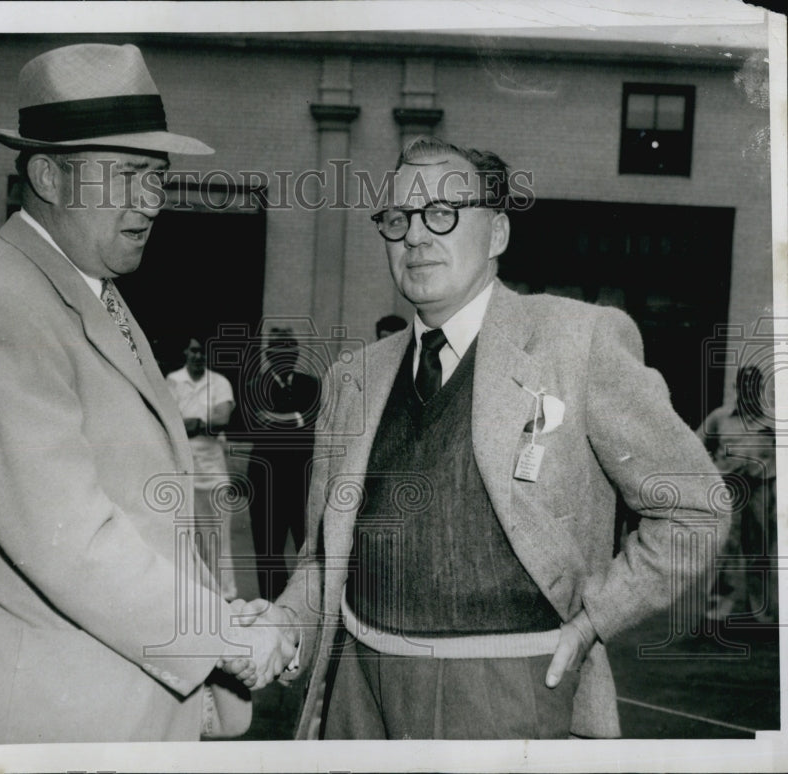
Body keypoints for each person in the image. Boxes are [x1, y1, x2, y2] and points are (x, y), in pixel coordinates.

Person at [261, 136, 728, 739]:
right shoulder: (354, 378)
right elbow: (324, 558)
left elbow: (697, 508)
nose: (417, 236)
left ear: (498, 234)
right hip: (360, 694)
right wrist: (282, 623)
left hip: (515, 694)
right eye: (398, 218)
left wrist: (593, 620)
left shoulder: (577, 343)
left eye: (443, 213)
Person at [0, 43, 294, 744]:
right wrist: (226, 637)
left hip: (127, 706)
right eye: (125, 177)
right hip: (51, 722)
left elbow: (152, 514)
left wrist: (223, 620)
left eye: (157, 178)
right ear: (48, 176)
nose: (151, 204)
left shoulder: (90, 296)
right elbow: (74, 544)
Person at [233, 327, 321, 601]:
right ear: (269, 355)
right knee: (268, 549)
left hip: (303, 480)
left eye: (291, 350)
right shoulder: (254, 386)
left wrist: (279, 419)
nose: (287, 356)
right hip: (266, 480)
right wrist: (296, 419)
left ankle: (305, 605)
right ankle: (272, 608)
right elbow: (250, 424)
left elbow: (315, 424)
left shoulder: (312, 385)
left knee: (307, 548)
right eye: (279, 350)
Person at [697, 364, 778, 627]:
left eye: (754, 387)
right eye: (744, 387)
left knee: (760, 551)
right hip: (728, 491)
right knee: (724, 550)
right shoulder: (720, 418)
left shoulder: (773, 421)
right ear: (737, 389)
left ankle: (761, 612)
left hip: (760, 490)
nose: (748, 393)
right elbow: (696, 446)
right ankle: (716, 612)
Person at [167, 336, 239, 601]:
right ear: (186, 351)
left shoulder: (219, 383)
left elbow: (223, 418)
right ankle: (196, 596)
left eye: (204, 352)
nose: (199, 357)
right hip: (184, 470)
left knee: (219, 538)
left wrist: (195, 424)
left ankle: (227, 595)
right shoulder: (173, 380)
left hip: (214, 472)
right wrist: (198, 424)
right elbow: (169, 420)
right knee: (187, 537)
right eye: (195, 351)